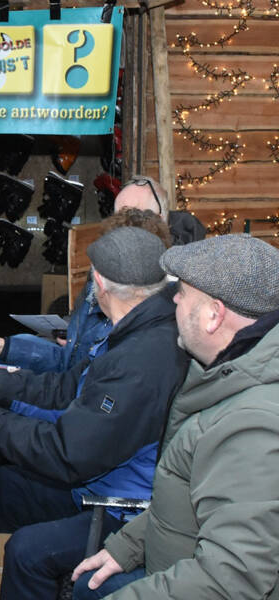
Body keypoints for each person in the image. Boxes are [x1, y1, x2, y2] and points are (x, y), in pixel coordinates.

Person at [0, 227, 190, 600]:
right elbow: (67, 386)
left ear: (99, 282)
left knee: (27, 551)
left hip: (121, 506)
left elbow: (69, 454)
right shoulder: (136, 329)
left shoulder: (140, 359)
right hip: (98, 478)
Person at [71, 234, 279, 599]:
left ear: (214, 315)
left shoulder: (253, 425)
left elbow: (230, 581)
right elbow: (190, 501)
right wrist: (127, 547)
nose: (174, 302)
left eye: (182, 293)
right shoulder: (224, 373)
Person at [0, 176, 199, 374]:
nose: (122, 225)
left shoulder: (169, 289)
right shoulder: (107, 263)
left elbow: (87, 396)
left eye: (133, 217)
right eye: (119, 215)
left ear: (158, 220)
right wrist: (3, 346)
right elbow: (74, 363)